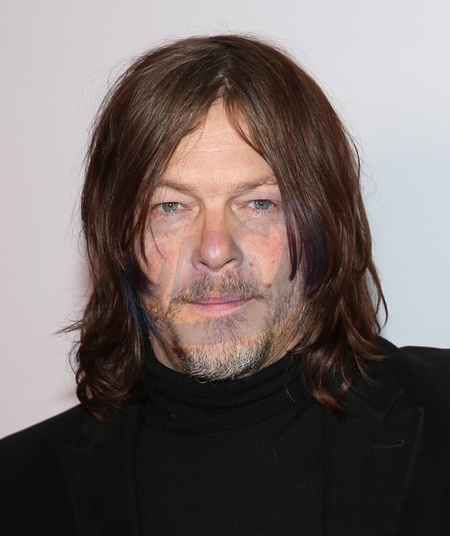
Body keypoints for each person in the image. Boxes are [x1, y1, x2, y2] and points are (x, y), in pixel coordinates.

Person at [1, 34, 449, 536]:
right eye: (170, 206)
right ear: (116, 236)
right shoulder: (18, 488)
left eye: (260, 203)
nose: (215, 250)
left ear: (327, 224)